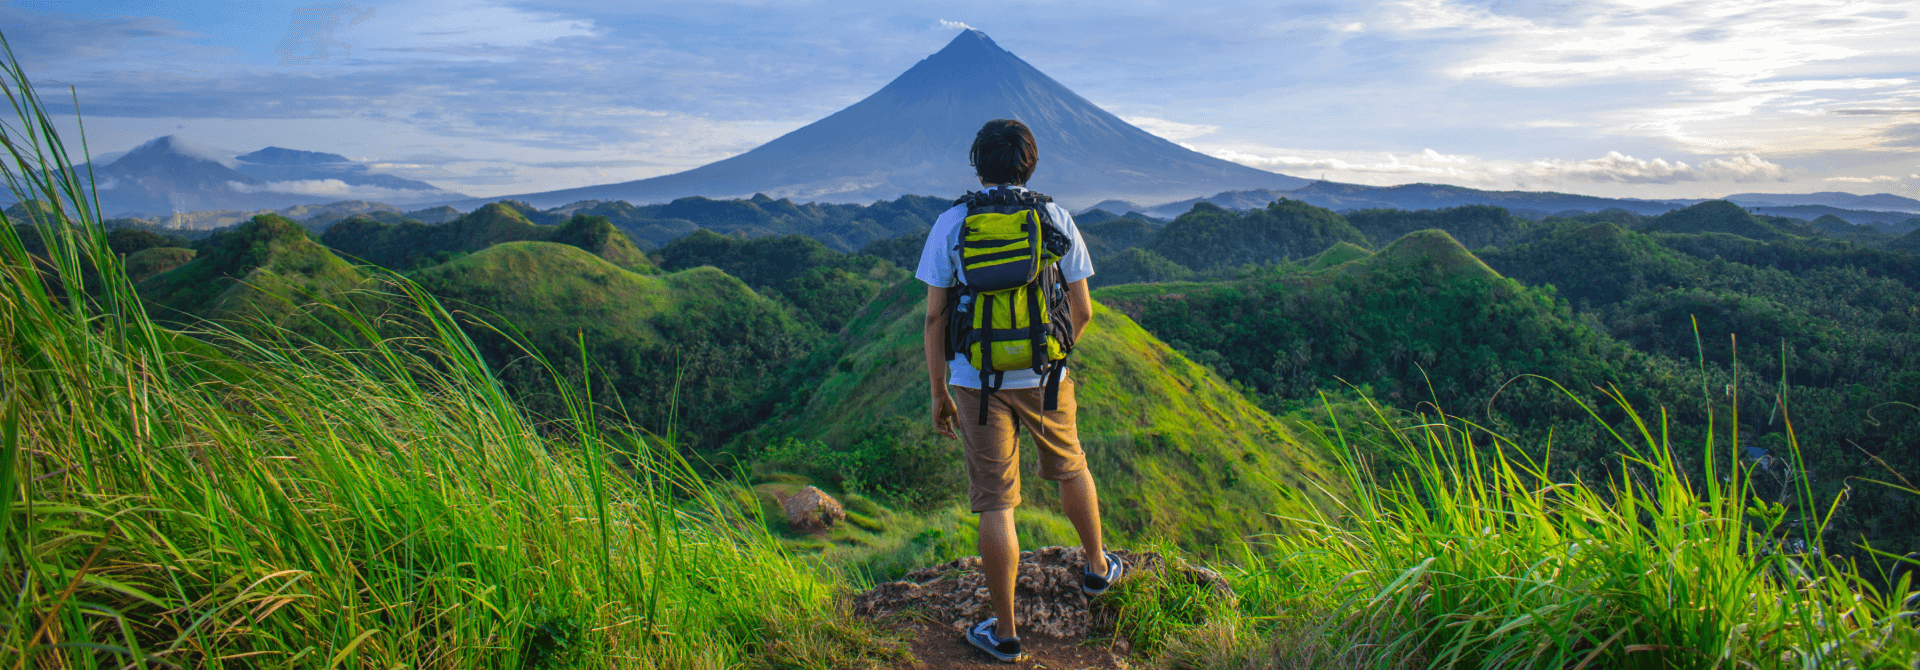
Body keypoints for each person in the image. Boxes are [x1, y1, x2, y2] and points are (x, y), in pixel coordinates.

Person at [916, 118, 1123, 663]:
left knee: (996, 501)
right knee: (1072, 465)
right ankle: (1098, 570)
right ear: (1029, 163)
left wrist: (939, 391)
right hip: (1045, 377)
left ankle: (1006, 636)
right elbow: (1083, 310)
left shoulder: (952, 221)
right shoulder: (1052, 216)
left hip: (974, 381)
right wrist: (1052, 357)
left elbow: (935, 318)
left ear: (977, 164)